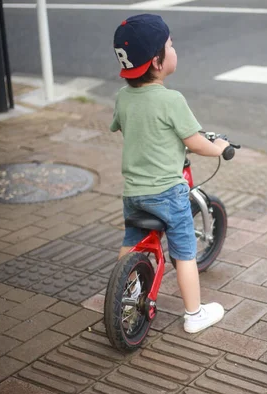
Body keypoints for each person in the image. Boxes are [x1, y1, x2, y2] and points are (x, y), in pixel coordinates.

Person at [110, 14, 229, 333]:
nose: (174, 50)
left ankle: (120, 290)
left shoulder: (122, 97)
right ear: (157, 62)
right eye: (170, 45)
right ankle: (194, 314)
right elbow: (196, 143)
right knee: (184, 253)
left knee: (131, 241)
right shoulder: (172, 100)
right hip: (167, 194)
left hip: (134, 193)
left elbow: (122, 126)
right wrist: (219, 147)